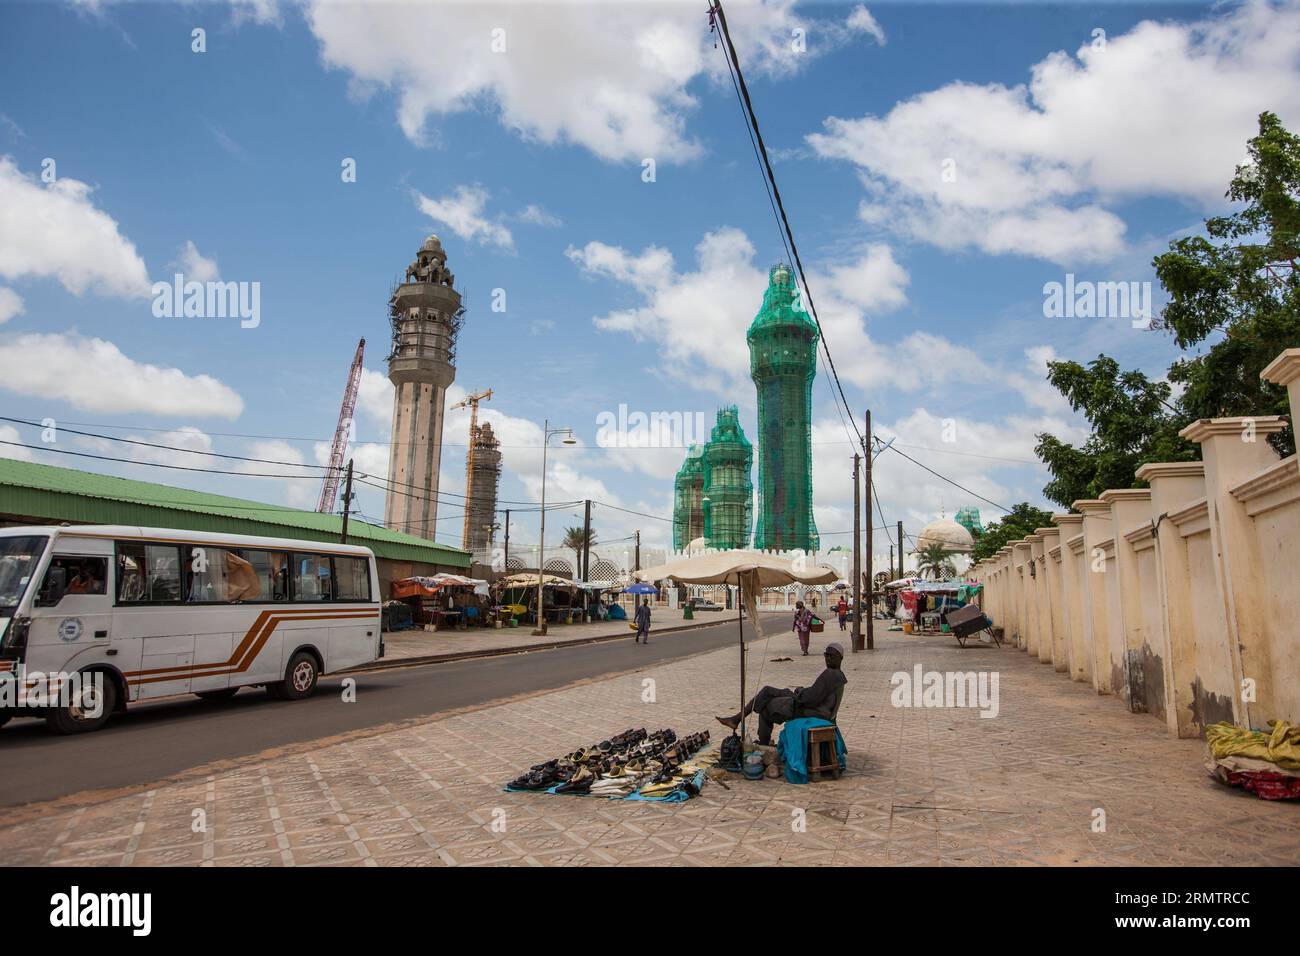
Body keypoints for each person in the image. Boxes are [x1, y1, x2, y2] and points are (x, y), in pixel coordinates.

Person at [716, 643, 847, 746]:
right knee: (767, 695)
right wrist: (802, 691)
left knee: (765, 702)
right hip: (811, 707)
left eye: (831, 656)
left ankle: (744, 725)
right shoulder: (837, 675)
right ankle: (739, 721)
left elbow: (811, 699)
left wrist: (800, 693)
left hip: (808, 710)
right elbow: (817, 693)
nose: (828, 658)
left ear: (840, 658)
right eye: (826, 655)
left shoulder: (831, 674)